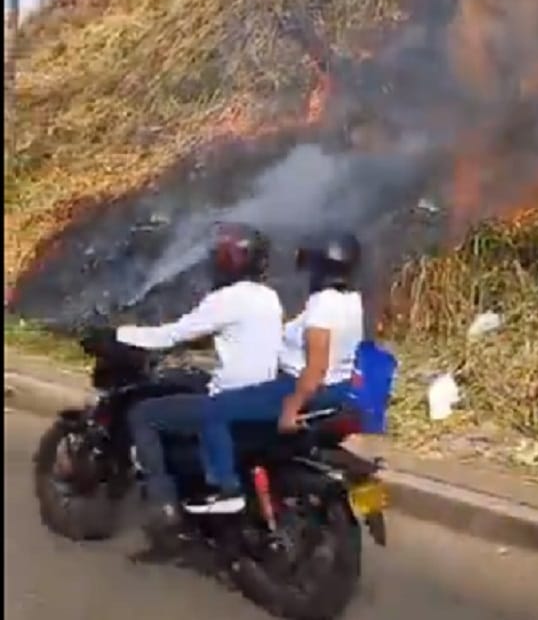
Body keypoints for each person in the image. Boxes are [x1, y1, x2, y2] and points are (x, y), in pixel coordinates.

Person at [117, 223, 282, 528]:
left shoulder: (228, 298)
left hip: (230, 399)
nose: (216, 260)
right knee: (190, 381)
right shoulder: (269, 297)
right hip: (260, 396)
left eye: (223, 255)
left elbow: (173, 335)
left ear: (233, 261)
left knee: (143, 414)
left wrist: (120, 334)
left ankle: (163, 501)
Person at [193, 231, 364, 513]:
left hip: (303, 389)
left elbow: (316, 367)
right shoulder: (352, 301)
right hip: (338, 391)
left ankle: (226, 488)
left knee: (215, 410)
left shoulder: (324, 304)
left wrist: (291, 408)